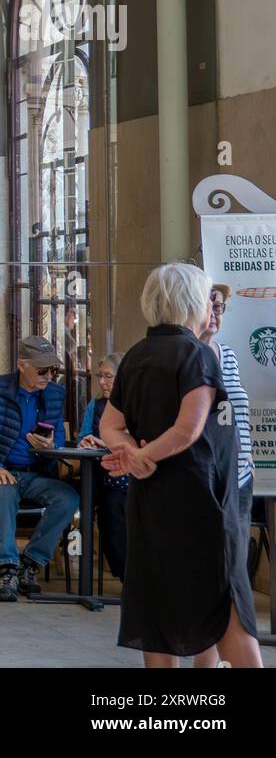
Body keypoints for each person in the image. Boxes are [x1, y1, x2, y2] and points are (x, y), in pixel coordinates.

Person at [100, 263, 262, 668]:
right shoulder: (198, 355)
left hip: (151, 503)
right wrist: (141, 456)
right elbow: (188, 429)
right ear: (194, 303)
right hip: (203, 504)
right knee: (228, 607)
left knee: (160, 609)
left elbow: (110, 424)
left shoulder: (135, 355)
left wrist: (131, 455)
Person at [0, 335, 80, 603]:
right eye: (42, 370)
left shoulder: (54, 394)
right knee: (3, 490)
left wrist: (50, 445)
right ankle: (7, 569)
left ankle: (31, 563)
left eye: (53, 369)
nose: (48, 375)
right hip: (0, 468)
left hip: (37, 472)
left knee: (68, 498)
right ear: (22, 365)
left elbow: (60, 441)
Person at [202, 284, 255, 530]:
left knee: (236, 561)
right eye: (207, 306)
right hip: (207, 478)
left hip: (241, 476)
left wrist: (248, 459)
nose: (213, 314)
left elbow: (238, 410)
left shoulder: (229, 355)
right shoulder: (186, 356)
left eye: (218, 307)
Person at [77, 353, 129, 580]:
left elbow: (138, 437)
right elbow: (84, 434)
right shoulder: (95, 405)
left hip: (130, 477)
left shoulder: (134, 404)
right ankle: (123, 574)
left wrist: (107, 443)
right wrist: (87, 441)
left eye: (108, 376)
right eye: (99, 376)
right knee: (105, 513)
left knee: (118, 513)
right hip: (101, 476)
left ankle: (131, 576)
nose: (101, 381)